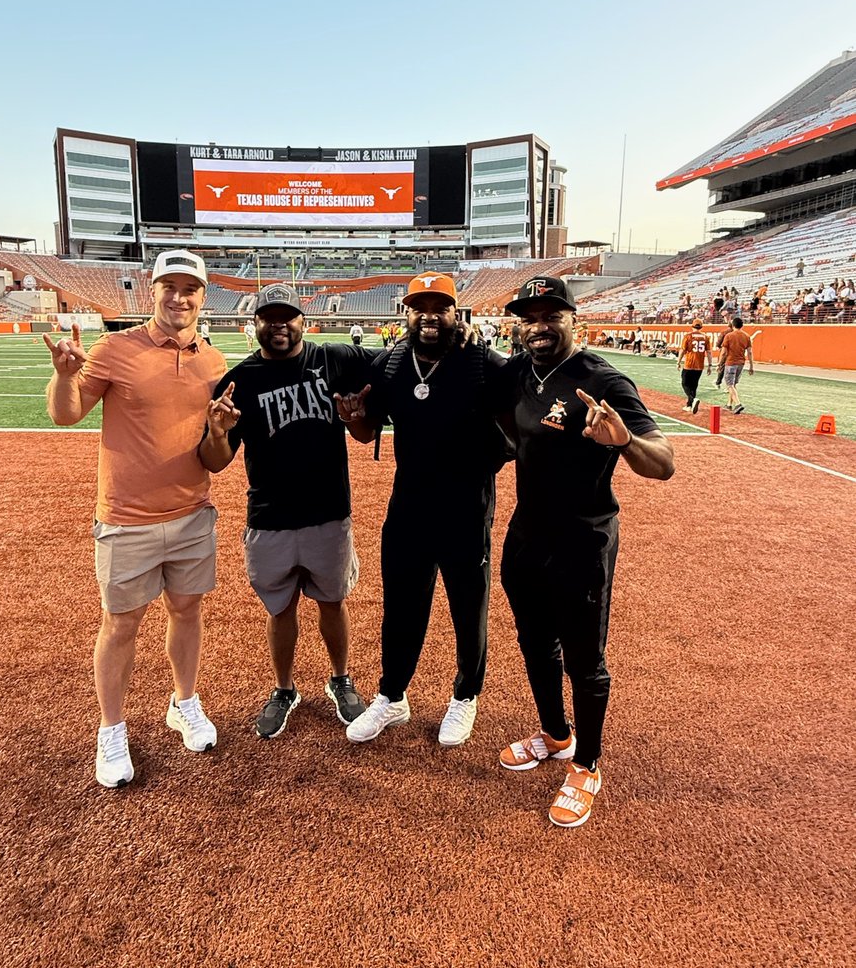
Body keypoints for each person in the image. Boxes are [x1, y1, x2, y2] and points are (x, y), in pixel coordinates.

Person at [494, 276, 674, 828]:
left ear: (575, 321)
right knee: (533, 642)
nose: (540, 327)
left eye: (552, 316)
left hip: (582, 540)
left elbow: (663, 463)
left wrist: (624, 441)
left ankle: (587, 765)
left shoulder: (603, 381)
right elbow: (507, 428)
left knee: (584, 659)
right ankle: (555, 735)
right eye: (530, 318)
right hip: (526, 535)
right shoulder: (517, 373)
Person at [43, 250, 227, 789]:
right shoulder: (116, 348)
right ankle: (112, 729)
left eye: (189, 288)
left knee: (186, 611)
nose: (179, 297)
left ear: (202, 296)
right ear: (153, 291)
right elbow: (65, 414)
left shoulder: (213, 361)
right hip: (127, 518)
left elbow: (213, 447)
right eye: (169, 286)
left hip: (192, 513)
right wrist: (64, 377)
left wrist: (220, 434)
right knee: (121, 624)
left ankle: (184, 702)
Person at [342, 272, 509, 748]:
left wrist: (486, 458)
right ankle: (392, 696)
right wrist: (354, 420)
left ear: (456, 313)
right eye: (420, 308)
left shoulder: (483, 362)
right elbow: (368, 430)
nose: (429, 317)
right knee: (401, 607)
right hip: (409, 506)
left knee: (468, 608)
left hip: (466, 508)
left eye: (440, 308)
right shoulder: (391, 363)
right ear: (407, 314)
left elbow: (515, 431)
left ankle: (465, 695)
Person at [199, 283, 371, 738]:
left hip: (328, 511)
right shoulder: (239, 380)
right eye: (269, 317)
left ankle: (340, 678)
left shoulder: (334, 359)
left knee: (332, 601)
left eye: (287, 316)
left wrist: (356, 417)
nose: (279, 325)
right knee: (280, 609)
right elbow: (215, 462)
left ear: (302, 320)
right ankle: (284, 688)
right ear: (254, 323)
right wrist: (217, 433)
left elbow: (390, 371)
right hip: (270, 515)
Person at [718, 316, 753, 414]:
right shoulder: (747, 336)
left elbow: (724, 352)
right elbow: (750, 352)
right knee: (733, 384)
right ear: (742, 326)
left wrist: (720, 363)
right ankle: (729, 404)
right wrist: (751, 366)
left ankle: (738, 404)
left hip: (730, 362)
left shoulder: (729, 336)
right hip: (741, 363)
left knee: (729, 384)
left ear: (733, 325)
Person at [677, 319, 712, 413]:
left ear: (692, 326)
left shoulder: (688, 336)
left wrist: (678, 361)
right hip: (699, 365)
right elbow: (709, 352)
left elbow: (683, 350)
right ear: (701, 327)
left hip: (689, 363)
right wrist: (710, 365)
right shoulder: (706, 337)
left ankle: (692, 399)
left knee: (685, 383)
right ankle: (689, 405)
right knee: (694, 385)